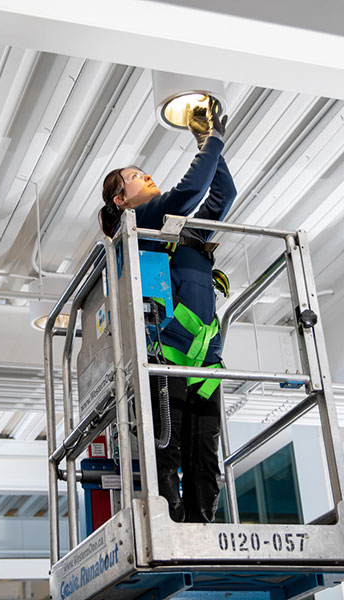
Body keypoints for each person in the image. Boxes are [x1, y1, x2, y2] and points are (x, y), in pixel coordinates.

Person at [96, 101, 236, 523]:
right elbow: (191, 192)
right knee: (168, 456)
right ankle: (173, 530)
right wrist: (211, 141)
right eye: (135, 177)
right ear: (122, 200)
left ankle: (204, 535)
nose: (146, 176)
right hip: (166, 362)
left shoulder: (184, 234)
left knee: (205, 465)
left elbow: (222, 195)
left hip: (204, 366)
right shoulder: (140, 223)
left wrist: (207, 143)